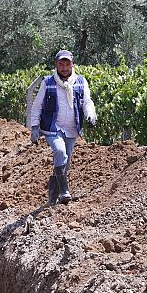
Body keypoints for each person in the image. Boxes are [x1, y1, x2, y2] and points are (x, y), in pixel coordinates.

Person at [30, 50, 96, 206]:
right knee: (60, 152)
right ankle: (64, 191)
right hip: (53, 127)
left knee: (65, 163)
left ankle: (52, 198)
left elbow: (87, 101)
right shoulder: (48, 82)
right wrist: (34, 126)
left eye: (67, 64)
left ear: (72, 64)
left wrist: (91, 115)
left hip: (72, 128)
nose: (64, 68)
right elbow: (37, 105)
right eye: (61, 64)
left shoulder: (80, 81)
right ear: (56, 65)